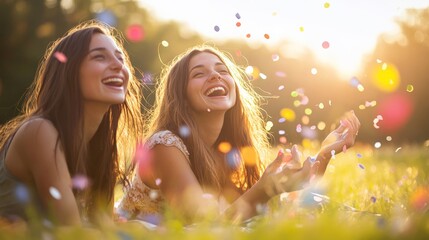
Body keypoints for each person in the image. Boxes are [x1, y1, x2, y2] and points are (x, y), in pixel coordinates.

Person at [117, 45, 360, 224]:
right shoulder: (164, 146)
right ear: (181, 96)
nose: (215, 75)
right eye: (199, 73)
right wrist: (266, 189)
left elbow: (247, 213)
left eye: (222, 70)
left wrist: (323, 157)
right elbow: (209, 228)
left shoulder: (225, 149)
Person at [0, 20, 143, 227]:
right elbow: (72, 231)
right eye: (99, 57)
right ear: (69, 72)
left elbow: (103, 226)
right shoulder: (39, 131)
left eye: (120, 58)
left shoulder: (99, 145)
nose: (118, 65)